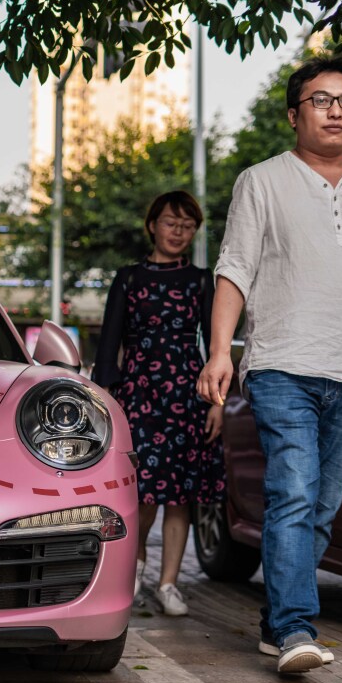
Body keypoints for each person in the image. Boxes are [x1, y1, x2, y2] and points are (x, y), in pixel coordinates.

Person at [197, 55, 342, 674]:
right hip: (281, 366)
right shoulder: (261, 180)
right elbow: (234, 269)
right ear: (294, 114)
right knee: (293, 494)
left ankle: (277, 622)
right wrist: (222, 352)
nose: (335, 110)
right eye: (321, 100)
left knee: (319, 507)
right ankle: (297, 628)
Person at [93, 190, 225, 617]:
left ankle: (169, 584)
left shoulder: (201, 281)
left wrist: (218, 403)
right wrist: (108, 401)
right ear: (153, 224)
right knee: (143, 492)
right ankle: (134, 564)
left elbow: (216, 344)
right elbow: (109, 344)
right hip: (139, 396)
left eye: (188, 227)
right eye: (171, 223)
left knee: (181, 495)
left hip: (189, 395)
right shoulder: (129, 278)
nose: (179, 232)